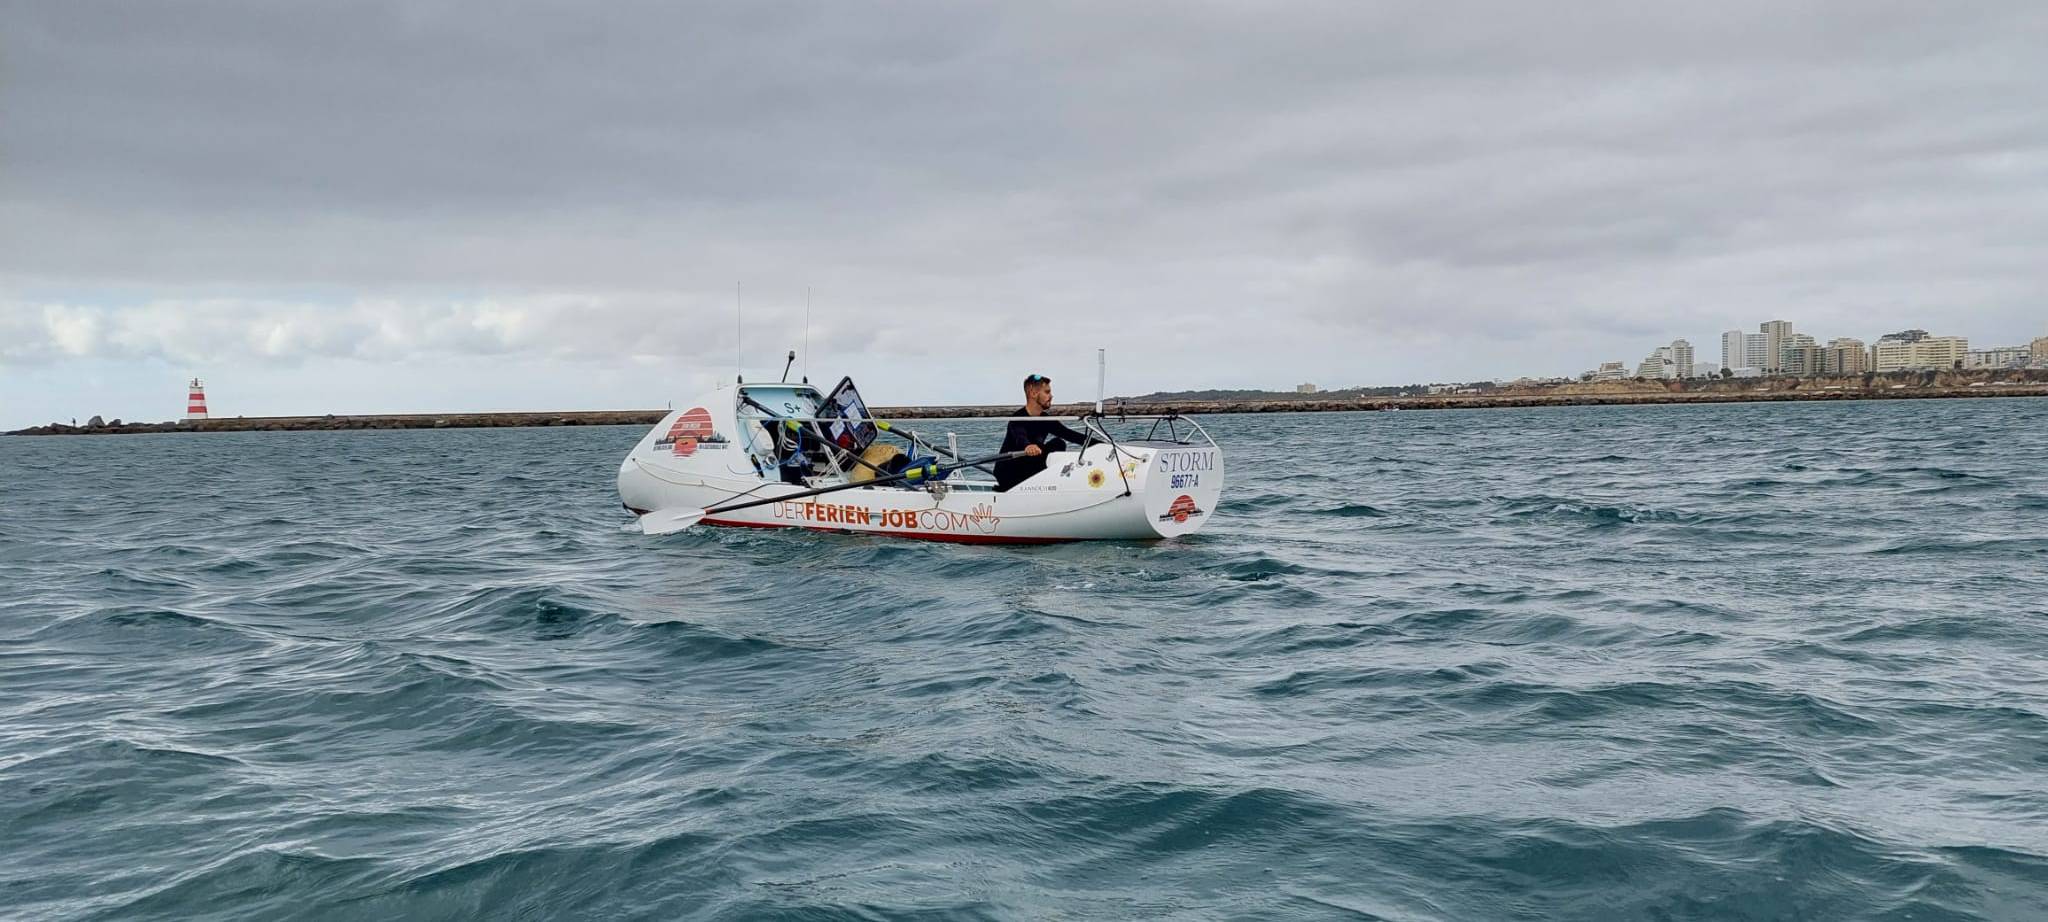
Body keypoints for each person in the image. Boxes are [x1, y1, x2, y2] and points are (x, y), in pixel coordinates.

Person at [995, 374, 1090, 491]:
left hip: (1028, 468)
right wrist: (1028, 446)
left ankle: (1053, 484)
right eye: (1047, 392)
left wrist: (1105, 444)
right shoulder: (1018, 418)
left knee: (1059, 443)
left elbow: (1071, 435)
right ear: (1033, 393)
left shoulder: (1045, 419)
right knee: (1044, 447)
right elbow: (1020, 437)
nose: (1051, 396)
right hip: (1009, 475)